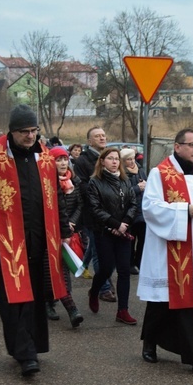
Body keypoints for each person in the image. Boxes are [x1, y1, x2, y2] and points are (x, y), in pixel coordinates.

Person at [0, 105, 71, 377]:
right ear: (12, 132)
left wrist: (63, 231)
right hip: (5, 242)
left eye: (34, 131)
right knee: (14, 298)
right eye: (24, 131)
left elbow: (55, 198)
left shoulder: (44, 159)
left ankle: (32, 346)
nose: (30, 136)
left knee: (34, 296)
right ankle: (24, 354)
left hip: (38, 240)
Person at [138, 128, 193, 375]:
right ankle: (151, 341)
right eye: (192, 145)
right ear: (177, 147)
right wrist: (184, 211)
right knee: (162, 301)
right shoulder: (160, 173)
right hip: (170, 248)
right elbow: (151, 208)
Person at [86, 147, 138, 325]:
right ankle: (94, 290)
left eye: (117, 159)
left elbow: (133, 203)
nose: (115, 162)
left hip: (124, 232)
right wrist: (115, 225)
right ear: (102, 161)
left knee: (124, 270)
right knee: (106, 269)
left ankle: (123, 311)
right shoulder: (94, 182)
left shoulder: (125, 180)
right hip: (104, 232)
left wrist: (125, 223)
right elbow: (94, 209)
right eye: (110, 158)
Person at [75, 126, 115, 302]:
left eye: (103, 135)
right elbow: (81, 187)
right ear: (89, 141)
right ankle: (104, 287)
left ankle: (101, 276)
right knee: (99, 252)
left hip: (112, 213)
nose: (102, 138)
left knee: (106, 251)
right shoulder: (83, 161)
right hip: (93, 215)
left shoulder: (111, 157)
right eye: (97, 136)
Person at [46, 146, 84, 328]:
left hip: (67, 232)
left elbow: (80, 204)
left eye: (64, 159)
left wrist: (71, 223)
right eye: (58, 159)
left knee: (64, 270)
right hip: (49, 233)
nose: (62, 163)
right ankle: (54, 304)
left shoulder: (74, 181)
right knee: (50, 270)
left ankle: (70, 308)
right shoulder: (46, 183)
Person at [121, 147, 147, 274]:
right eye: (128, 160)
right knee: (131, 240)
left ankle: (139, 261)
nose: (131, 162)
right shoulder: (122, 173)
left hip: (143, 210)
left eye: (132, 159)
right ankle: (130, 263)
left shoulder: (140, 170)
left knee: (143, 239)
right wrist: (137, 188)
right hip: (130, 211)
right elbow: (123, 192)